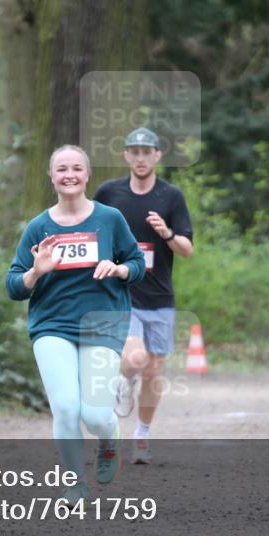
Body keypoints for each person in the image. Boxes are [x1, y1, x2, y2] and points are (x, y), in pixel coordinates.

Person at [6, 145, 146, 505]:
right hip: (52, 325)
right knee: (66, 407)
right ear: (51, 176)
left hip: (102, 323)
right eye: (62, 169)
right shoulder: (39, 226)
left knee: (96, 415)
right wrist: (36, 271)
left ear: (87, 175)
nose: (70, 175)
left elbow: (137, 263)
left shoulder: (110, 218)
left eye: (77, 168)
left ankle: (109, 436)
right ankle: (74, 482)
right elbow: (13, 285)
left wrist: (119, 269)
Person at [94, 127, 193, 464]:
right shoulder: (109, 193)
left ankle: (141, 435)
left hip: (160, 297)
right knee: (134, 360)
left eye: (145, 152)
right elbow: (89, 228)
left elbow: (187, 248)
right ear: (126, 156)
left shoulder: (171, 197)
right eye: (133, 152)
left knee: (153, 373)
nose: (140, 157)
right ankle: (122, 381)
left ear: (157, 156)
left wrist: (166, 232)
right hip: (122, 294)